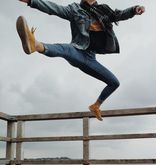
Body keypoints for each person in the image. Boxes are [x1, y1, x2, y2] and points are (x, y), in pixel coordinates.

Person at [17, 0, 145, 121]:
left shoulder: (104, 10)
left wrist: (134, 10)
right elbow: (54, 9)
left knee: (114, 82)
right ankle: (36, 45)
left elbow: (119, 15)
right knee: (65, 49)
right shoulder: (74, 10)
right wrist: (32, 1)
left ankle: (95, 106)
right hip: (77, 51)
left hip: (90, 58)